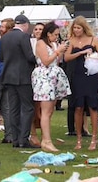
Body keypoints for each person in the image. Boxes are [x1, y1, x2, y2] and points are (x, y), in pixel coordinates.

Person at [63, 16, 98, 151]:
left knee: (93, 106)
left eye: (79, 28)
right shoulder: (71, 41)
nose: (76, 30)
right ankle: (78, 138)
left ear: (84, 28)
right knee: (78, 107)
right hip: (77, 76)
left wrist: (93, 58)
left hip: (91, 75)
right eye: (74, 28)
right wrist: (81, 52)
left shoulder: (94, 40)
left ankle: (94, 137)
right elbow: (66, 58)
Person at [31, 22, 71, 152]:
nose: (56, 37)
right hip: (44, 78)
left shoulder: (53, 44)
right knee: (45, 111)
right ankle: (46, 141)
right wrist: (58, 51)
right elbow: (46, 61)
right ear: (48, 34)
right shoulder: (41, 43)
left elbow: (56, 61)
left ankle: (46, 137)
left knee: (50, 110)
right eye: (55, 35)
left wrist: (59, 51)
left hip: (53, 78)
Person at [0, 13, 37, 148]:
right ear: (25, 25)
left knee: (13, 109)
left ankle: (15, 139)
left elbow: (1, 58)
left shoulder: (4, 38)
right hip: (22, 77)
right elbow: (29, 56)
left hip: (8, 76)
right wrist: (37, 59)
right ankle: (23, 139)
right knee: (27, 108)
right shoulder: (24, 37)